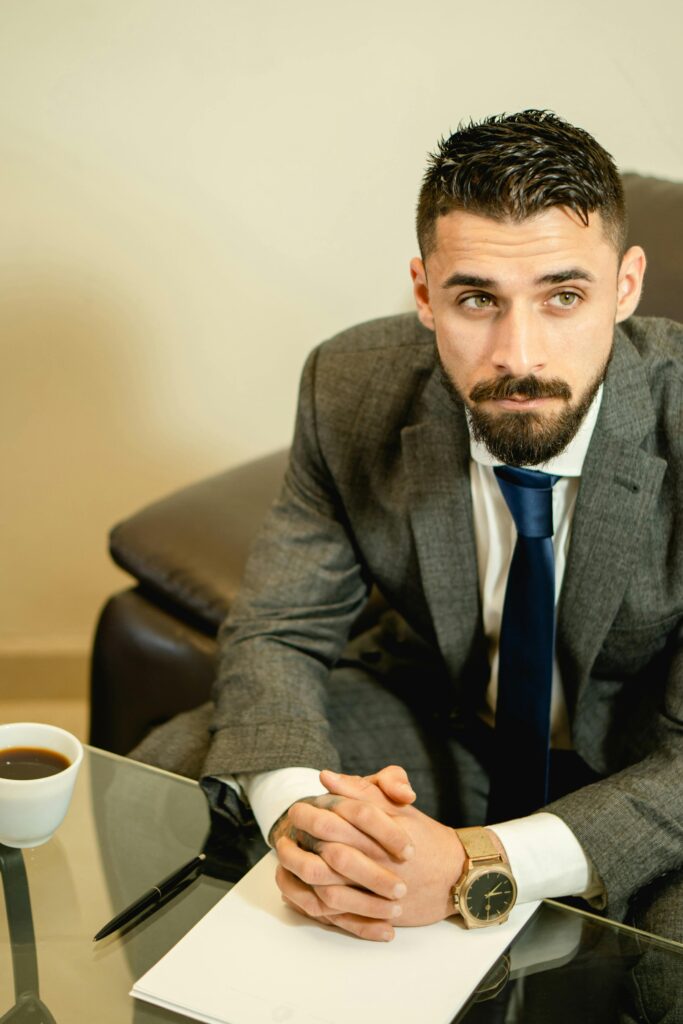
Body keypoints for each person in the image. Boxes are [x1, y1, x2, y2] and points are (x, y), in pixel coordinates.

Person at [132, 110, 682, 943]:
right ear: (425, 293)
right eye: (475, 300)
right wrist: (305, 823)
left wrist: (474, 867)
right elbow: (280, 630)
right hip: (448, 728)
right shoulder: (348, 384)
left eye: (563, 297)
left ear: (627, 286)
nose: (519, 355)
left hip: (646, 764)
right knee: (173, 772)